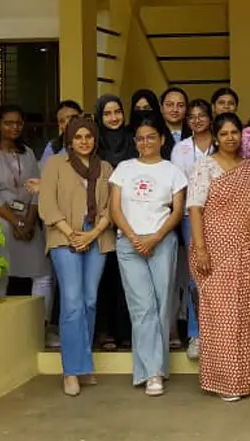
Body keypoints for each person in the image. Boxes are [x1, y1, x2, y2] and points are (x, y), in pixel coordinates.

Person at [187, 113, 250, 402]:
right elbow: (195, 208)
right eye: (224, 133)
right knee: (221, 315)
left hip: (248, 247)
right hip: (214, 246)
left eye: (235, 132)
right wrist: (200, 248)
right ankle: (226, 379)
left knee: (248, 311)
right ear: (215, 137)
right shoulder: (204, 167)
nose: (230, 138)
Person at [109, 114, 188, 397]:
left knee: (162, 305)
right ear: (135, 142)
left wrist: (154, 237)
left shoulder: (172, 172)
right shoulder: (123, 169)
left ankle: (155, 368)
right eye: (140, 138)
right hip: (129, 244)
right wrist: (134, 237)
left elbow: (177, 211)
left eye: (151, 137)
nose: (145, 142)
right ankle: (151, 372)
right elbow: (115, 209)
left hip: (162, 241)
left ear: (162, 140)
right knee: (141, 307)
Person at [39, 116, 115, 397]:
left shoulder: (105, 167)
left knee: (89, 300)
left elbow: (110, 206)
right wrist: (71, 233)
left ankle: (83, 362)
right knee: (72, 303)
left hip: (96, 236)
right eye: (78, 137)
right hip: (64, 236)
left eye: (89, 136)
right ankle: (71, 370)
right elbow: (46, 204)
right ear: (69, 139)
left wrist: (92, 234)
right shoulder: (56, 165)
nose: (84, 141)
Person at [0, 105, 51, 313]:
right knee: (0, 274)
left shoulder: (28, 153)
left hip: (26, 219)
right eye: (8, 123)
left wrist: (29, 221)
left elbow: (37, 188)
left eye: (18, 123)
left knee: (43, 272)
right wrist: (16, 222)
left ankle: (40, 325)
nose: (14, 127)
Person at [170, 99, 217, 360]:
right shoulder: (181, 149)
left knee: (219, 275)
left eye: (202, 115)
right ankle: (195, 333)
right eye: (192, 116)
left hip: (221, 218)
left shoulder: (221, 143)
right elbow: (178, 186)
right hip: (191, 216)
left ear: (211, 117)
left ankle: (216, 333)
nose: (197, 120)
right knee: (195, 276)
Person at [94, 95, 135, 351]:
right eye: (107, 113)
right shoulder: (94, 144)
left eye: (117, 112)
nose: (113, 118)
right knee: (105, 277)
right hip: (103, 219)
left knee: (128, 279)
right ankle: (106, 331)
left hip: (132, 217)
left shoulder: (133, 141)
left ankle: (127, 331)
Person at [129, 90, 175, 160]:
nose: (142, 112)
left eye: (146, 108)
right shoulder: (126, 132)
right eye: (137, 108)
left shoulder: (164, 132)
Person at [39, 100, 83, 170]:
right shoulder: (53, 147)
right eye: (62, 121)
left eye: (72, 118)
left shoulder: (94, 143)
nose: (67, 123)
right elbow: (45, 174)